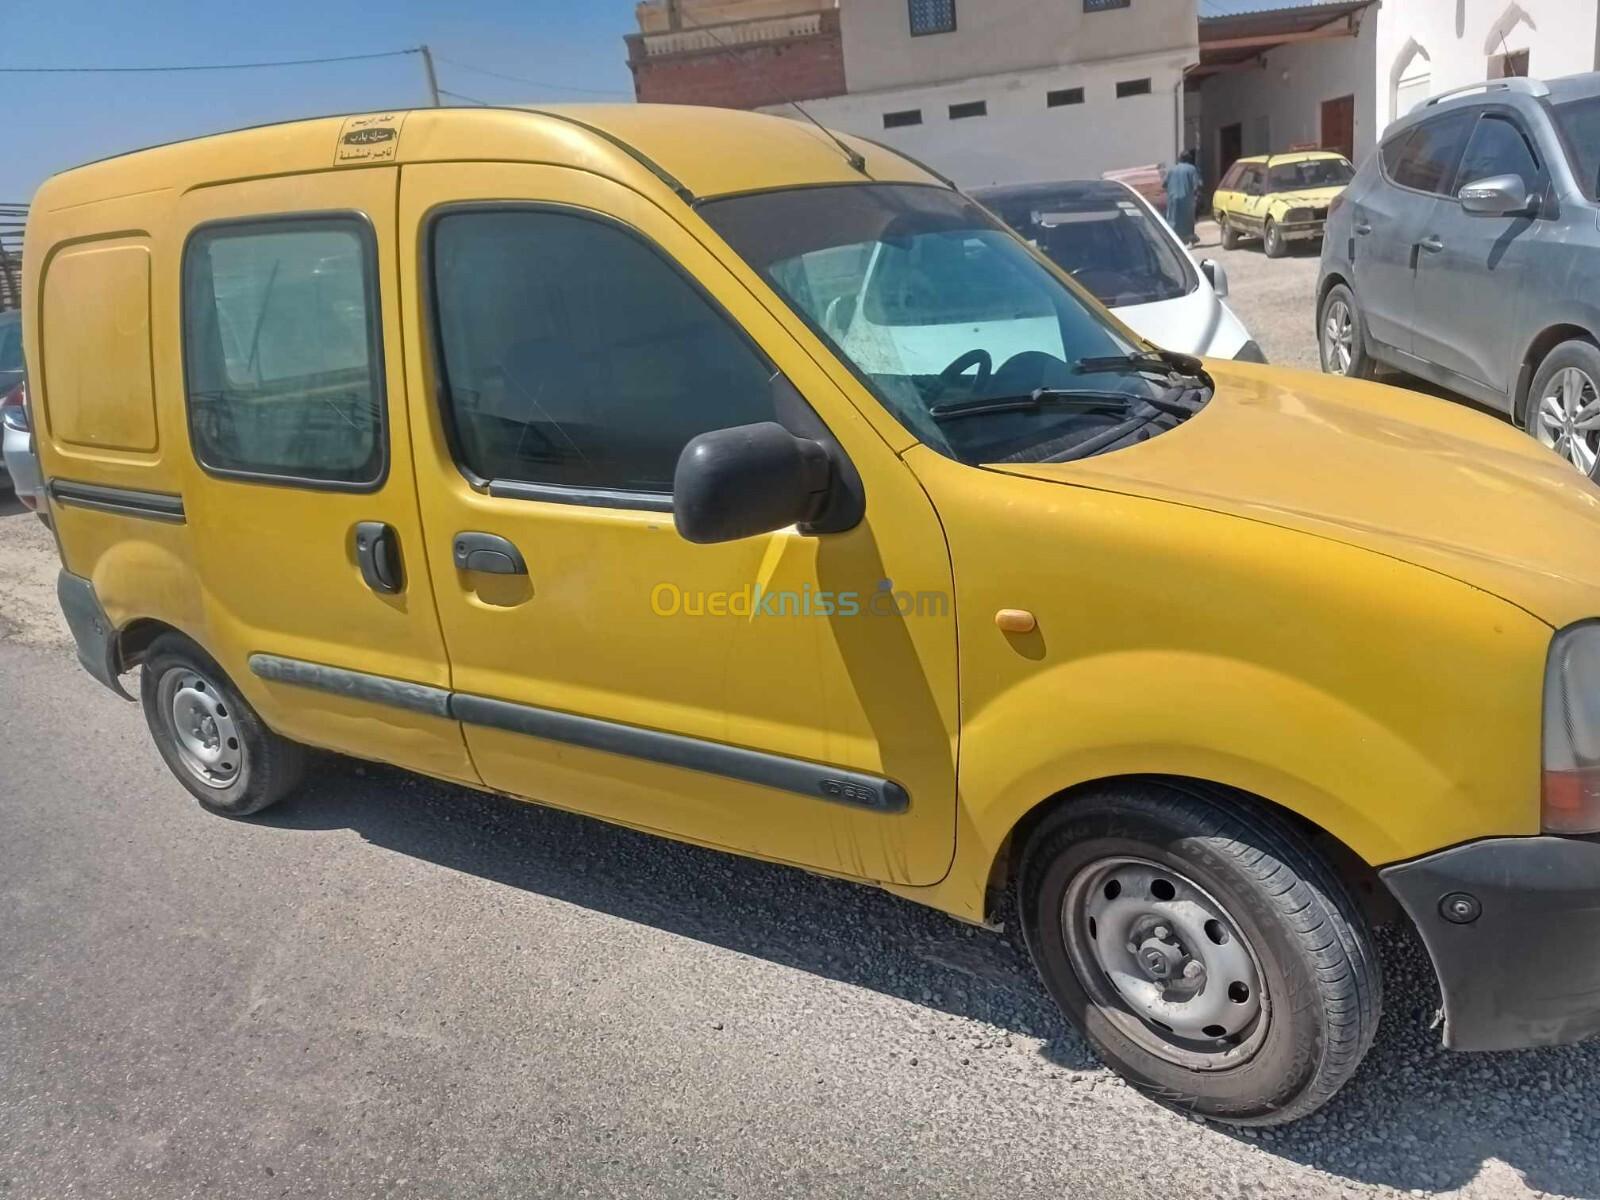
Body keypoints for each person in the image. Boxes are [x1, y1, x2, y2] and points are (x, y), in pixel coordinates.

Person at [1163, 149, 1201, 248]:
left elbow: (1164, 185)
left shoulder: (1172, 170)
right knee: (1188, 221)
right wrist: (1197, 197)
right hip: (1187, 200)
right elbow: (1196, 185)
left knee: (1172, 219)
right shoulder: (1192, 169)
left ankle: (1172, 241)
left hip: (1172, 199)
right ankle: (1189, 241)